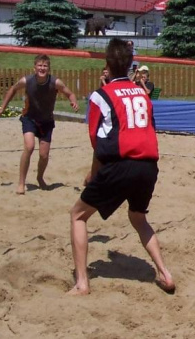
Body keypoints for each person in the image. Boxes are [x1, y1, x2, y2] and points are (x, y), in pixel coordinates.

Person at [68, 37, 174, 296]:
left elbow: (98, 142)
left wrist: (93, 174)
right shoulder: (143, 93)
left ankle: (82, 283)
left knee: (77, 216)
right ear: (130, 66)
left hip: (121, 164)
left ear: (107, 64)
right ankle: (164, 273)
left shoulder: (101, 95)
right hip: (149, 165)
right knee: (138, 218)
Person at [0, 54, 79, 195]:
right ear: (34, 67)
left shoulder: (55, 82)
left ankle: (40, 177)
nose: (42, 68)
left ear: (49, 68)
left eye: (45, 66)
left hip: (46, 121)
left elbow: (69, 93)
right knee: (29, 146)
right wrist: (2, 108)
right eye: (39, 65)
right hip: (30, 118)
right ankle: (21, 183)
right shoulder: (26, 80)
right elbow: (12, 89)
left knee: (44, 155)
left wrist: (73, 101)